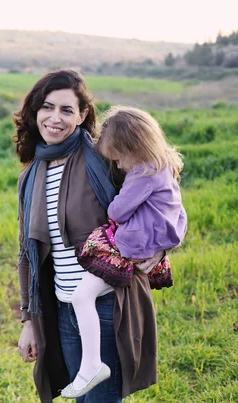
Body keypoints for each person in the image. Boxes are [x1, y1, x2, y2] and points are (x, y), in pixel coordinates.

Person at [14, 69, 158, 403]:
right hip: (64, 307)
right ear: (35, 113)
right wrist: (28, 320)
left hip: (108, 304)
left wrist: (162, 247)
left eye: (66, 110)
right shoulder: (30, 177)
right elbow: (26, 254)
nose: (55, 118)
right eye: (47, 107)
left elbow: (159, 194)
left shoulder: (104, 158)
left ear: (82, 115)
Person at [60, 106, 187, 398]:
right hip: (142, 245)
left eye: (118, 158)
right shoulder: (165, 167)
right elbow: (178, 216)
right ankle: (90, 366)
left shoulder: (143, 172)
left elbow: (117, 209)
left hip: (129, 246)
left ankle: (92, 364)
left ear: (134, 147)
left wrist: (118, 202)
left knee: (81, 295)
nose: (117, 166)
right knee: (84, 294)